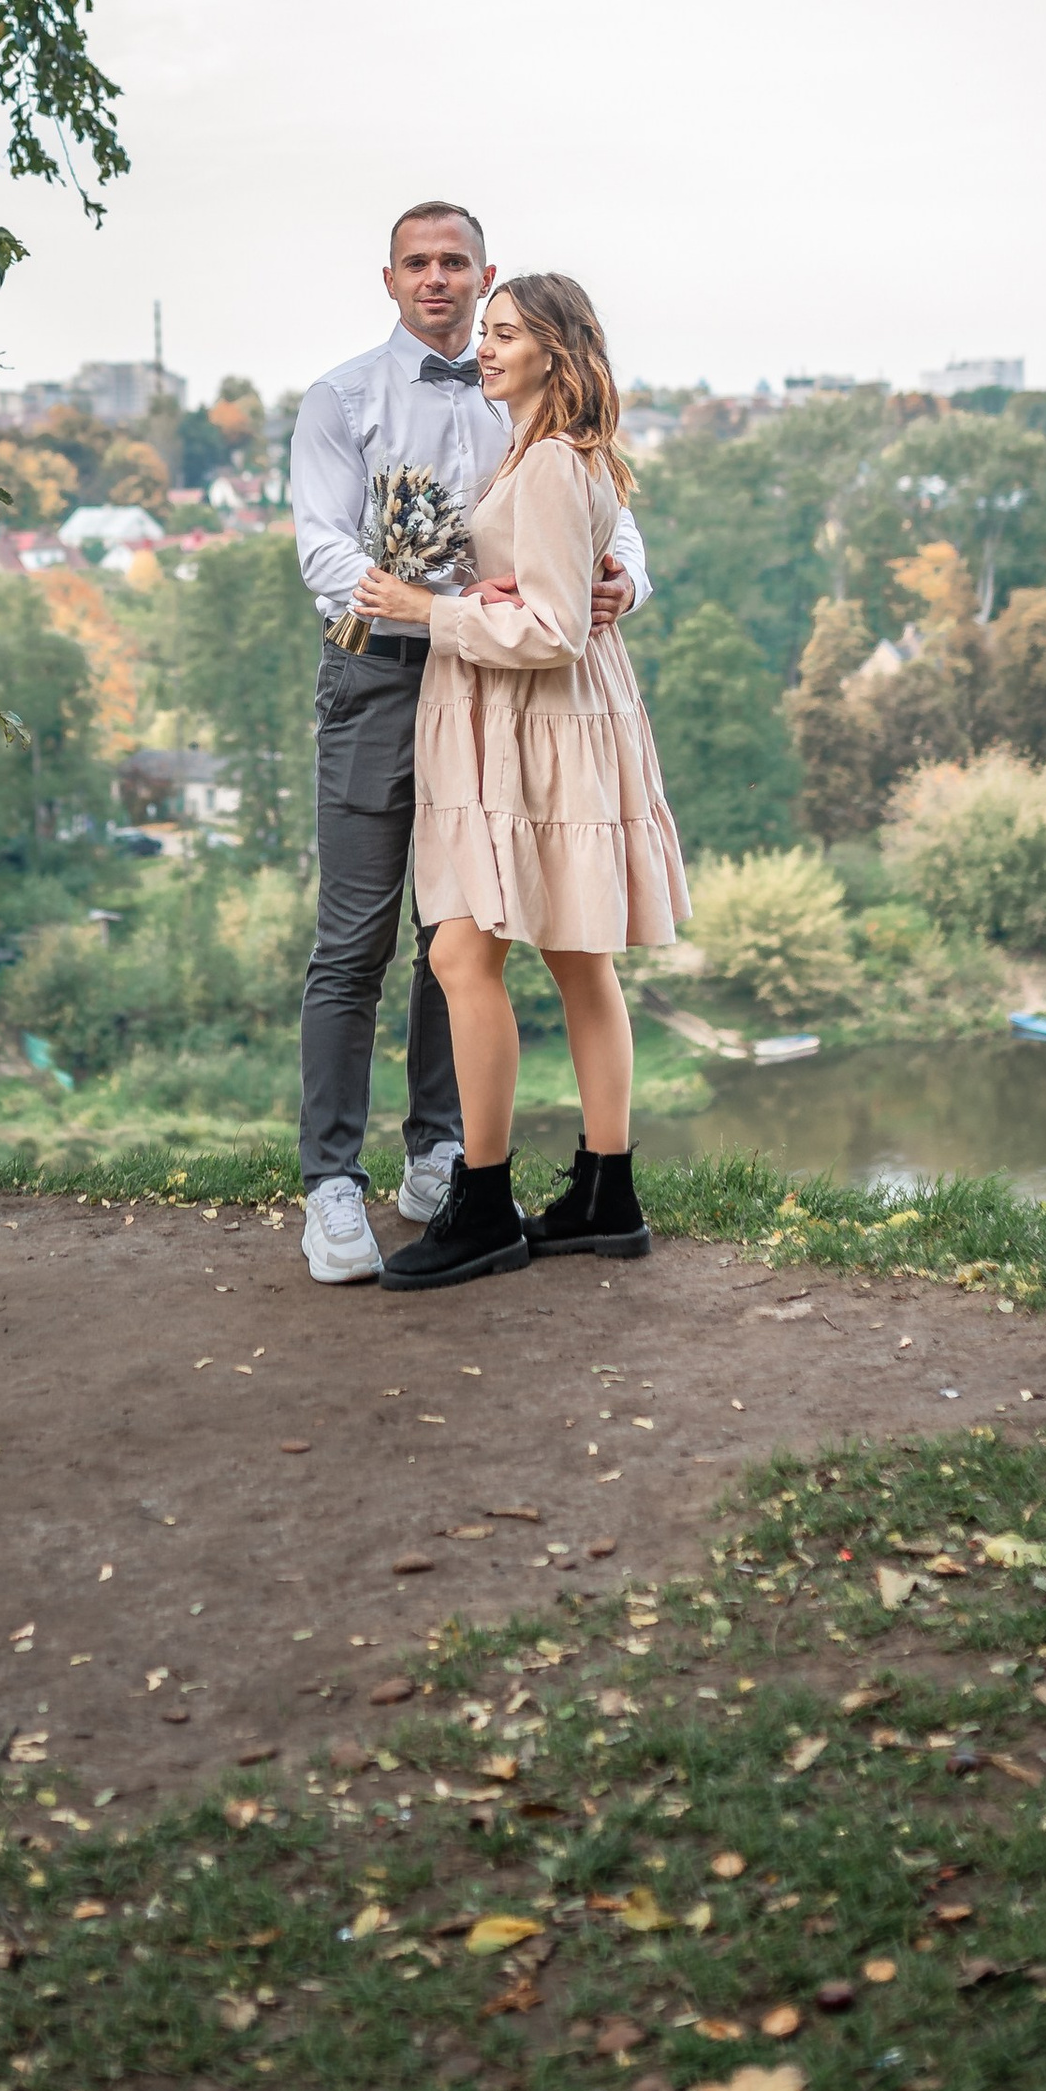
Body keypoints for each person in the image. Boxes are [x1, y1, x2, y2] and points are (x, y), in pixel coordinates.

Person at [289, 204, 649, 1286]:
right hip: (385, 680)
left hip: (505, 695)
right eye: (418, 263)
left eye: (457, 265)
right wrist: (439, 598)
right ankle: (332, 1184)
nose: (439, 281)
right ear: (388, 277)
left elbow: (606, 520)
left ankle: (445, 1156)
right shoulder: (343, 398)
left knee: (462, 932)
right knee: (359, 941)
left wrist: (623, 581)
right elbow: (322, 549)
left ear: (484, 275)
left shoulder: (525, 399)